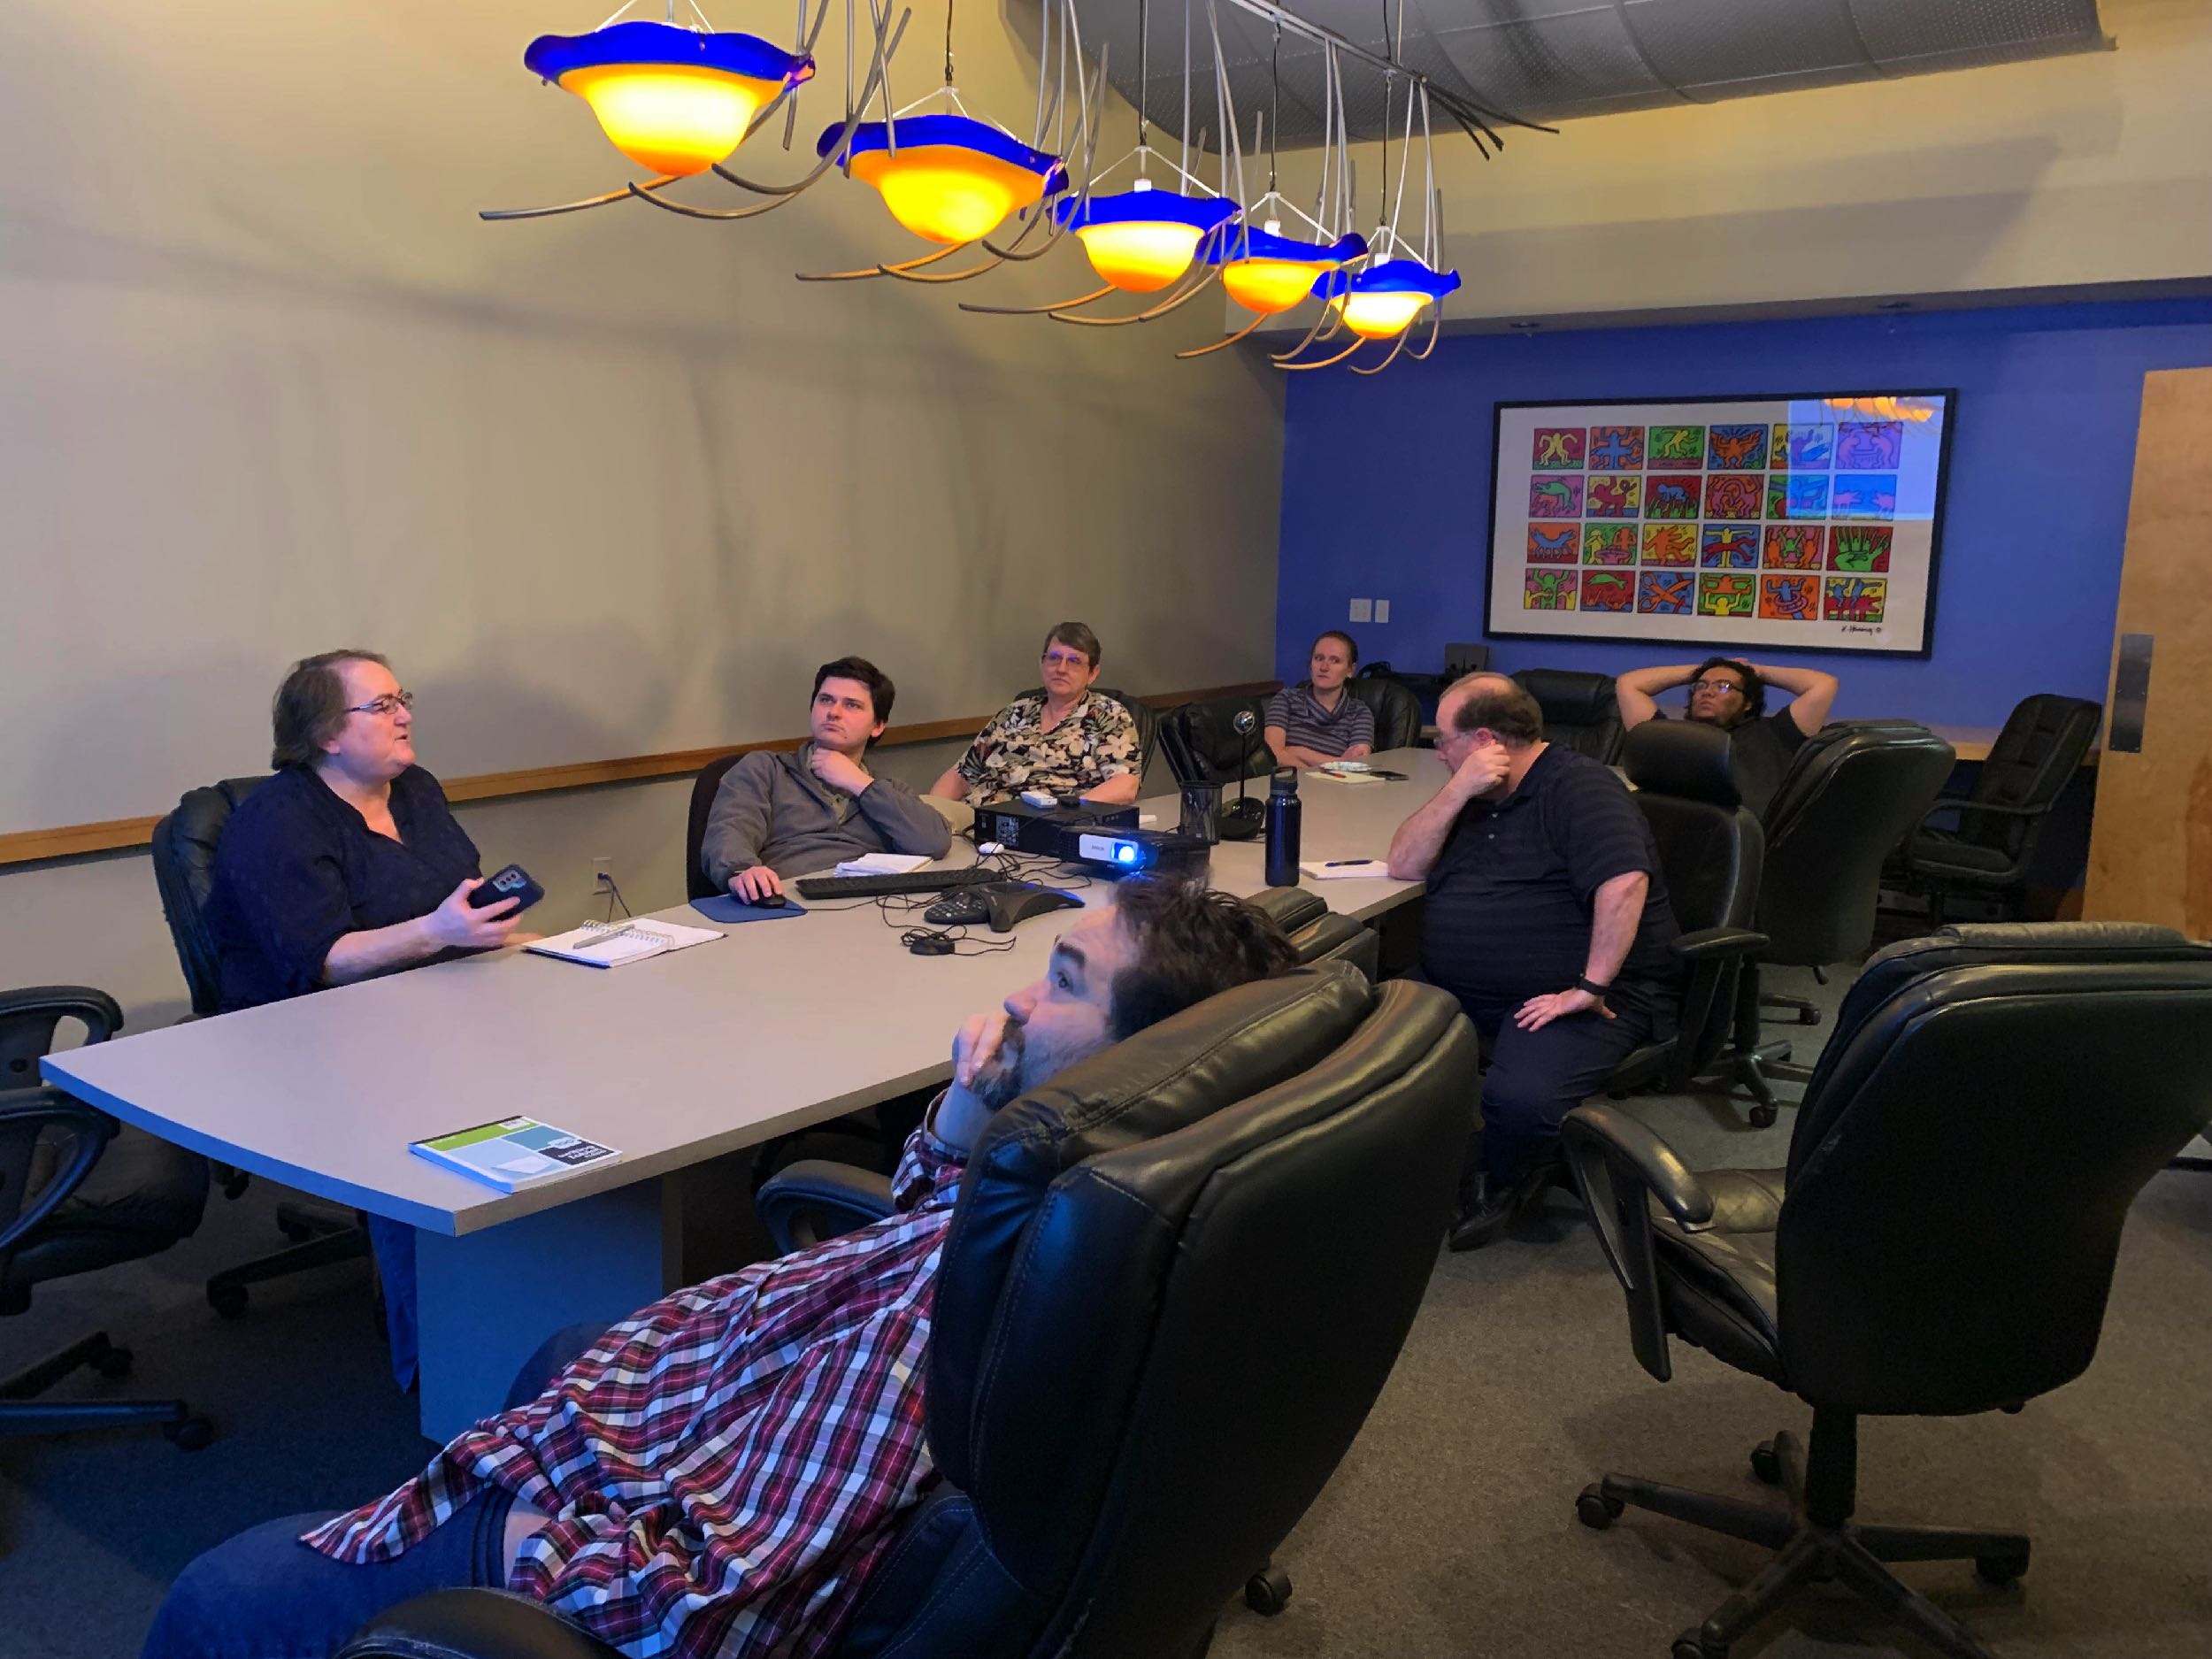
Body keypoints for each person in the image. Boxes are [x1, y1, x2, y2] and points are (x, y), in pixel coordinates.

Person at [142, 880, 1298, 1659]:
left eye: (1061, 975)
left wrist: (516, 1538)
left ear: (1139, 1054)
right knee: (556, 1350)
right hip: (722, 1412)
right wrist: (965, 1110)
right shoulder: (1092, 1197)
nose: (1013, 992)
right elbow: (925, 1220)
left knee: (213, 1596)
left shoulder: (958, 1329)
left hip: (656, 1541)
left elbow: (712, 1595)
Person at [203, 650, 532, 1391]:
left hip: (430, 1001)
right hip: (307, 1031)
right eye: (381, 706)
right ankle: (442, 1369)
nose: (405, 715)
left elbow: (458, 899)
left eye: (401, 698)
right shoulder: (276, 821)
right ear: (325, 733)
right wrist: (440, 934)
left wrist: (506, 935)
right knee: (422, 1121)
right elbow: (323, 958)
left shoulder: (413, 789)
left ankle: (557, 1291)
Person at [1386, 673, 1681, 1252]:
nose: (1438, 751)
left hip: (1574, 992)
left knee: (1519, 1102)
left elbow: (1624, 885)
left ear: (1484, 737)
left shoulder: (1582, 787)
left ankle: (1507, 1176)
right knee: (1362, 1038)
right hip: (1460, 984)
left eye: (1444, 739)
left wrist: (1589, 984)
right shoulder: (1477, 794)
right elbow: (1403, 863)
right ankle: (1433, 1156)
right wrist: (1456, 790)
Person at [700, 656, 952, 902]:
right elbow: (729, 830)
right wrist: (741, 870)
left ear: (878, 726)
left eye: (852, 705)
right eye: (826, 700)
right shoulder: (765, 769)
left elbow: (934, 842)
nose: (834, 712)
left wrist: (859, 783)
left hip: (867, 907)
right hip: (787, 903)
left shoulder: (887, 789)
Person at [930, 622, 1142, 806]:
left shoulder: (1108, 716)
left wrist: (1072, 811)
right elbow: (960, 776)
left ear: (1093, 673)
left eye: (1074, 661)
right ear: (1042, 664)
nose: (1061, 668)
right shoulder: (1014, 713)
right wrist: (933, 812)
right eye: (1054, 658)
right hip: (977, 817)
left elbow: (1125, 786)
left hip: (1044, 825)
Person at [1615, 657, 1840, 817]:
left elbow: (1824, 685)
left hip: (1744, 853)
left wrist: (1755, 671)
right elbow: (1629, 684)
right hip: (1673, 841)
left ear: (1748, 702)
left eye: (1723, 686)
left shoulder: (1776, 732)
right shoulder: (1671, 737)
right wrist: (1707, 669)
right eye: (1701, 685)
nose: (1707, 691)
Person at [1264, 630, 1376, 768]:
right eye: (1318, 658)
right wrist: (1333, 763)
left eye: (1335, 660)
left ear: (1350, 670)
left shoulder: (1360, 712)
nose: (1324, 667)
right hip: (1286, 784)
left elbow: (1356, 766)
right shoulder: (1286, 699)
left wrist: (1298, 751)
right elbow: (1272, 754)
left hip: (1335, 787)